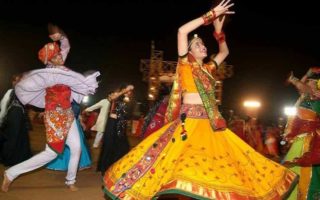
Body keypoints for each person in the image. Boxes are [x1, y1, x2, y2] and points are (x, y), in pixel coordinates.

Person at [102, 1, 297, 199]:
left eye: (203, 44)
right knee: (183, 169)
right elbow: (181, 31)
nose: (202, 46)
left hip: (210, 125)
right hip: (189, 125)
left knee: (213, 170)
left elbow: (224, 53)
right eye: (197, 45)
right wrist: (210, 15)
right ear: (190, 51)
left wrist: (219, 32)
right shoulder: (185, 64)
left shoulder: (209, 69)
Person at [1, 24, 99, 192]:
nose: (60, 58)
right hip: (54, 115)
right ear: (49, 60)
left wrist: (61, 36)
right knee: (51, 153)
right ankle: (11, 173)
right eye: (56, 57)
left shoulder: (62, 67)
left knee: (76, 148)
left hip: (68, 114)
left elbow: (66, 46)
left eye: (60, 56)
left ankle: (70, 180)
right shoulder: (48, 74)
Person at [283, 67, 320, 199]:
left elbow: (304, 87)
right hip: (299, 140)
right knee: (292, 172)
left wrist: (294, 79)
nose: (308, 83)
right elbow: (303, 87)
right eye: (309, 82)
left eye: (312, 82)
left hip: (309, 142)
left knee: (306, 174)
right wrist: (309, 72)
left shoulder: (316, 99)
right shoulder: (305, 97)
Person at [96, 84, 134, 174]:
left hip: (121, 125)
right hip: (112, 124)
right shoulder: (116, 96)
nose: (128, 92)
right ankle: (105, 167)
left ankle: (120, 167)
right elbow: (113, 98)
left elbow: (128, 114)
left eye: (129, 91)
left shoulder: (128, 101)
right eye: (127, 90)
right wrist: (124, 90)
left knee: (122, 146)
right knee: (109, 145)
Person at [46, 100, 92, 171]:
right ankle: (63, 164)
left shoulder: (77, 100)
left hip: (75, 123)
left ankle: (79, 164)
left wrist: (81, 122)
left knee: (79, 144)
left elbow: (78, 114)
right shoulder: (66, 98)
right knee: (66, 144)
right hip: (66, 123)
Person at [0, 74, 32, 166]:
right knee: (12, 137)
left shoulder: (24, 92)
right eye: (15, 80)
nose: (16, 82)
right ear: (12, 82)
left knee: (19, 137)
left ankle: (19, 157)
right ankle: (9, 158)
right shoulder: (10, 92)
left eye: (19, 80)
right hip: (13, 116)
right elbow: (3, 106)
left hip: (20, 117)